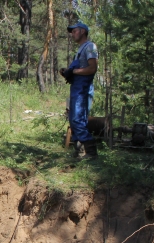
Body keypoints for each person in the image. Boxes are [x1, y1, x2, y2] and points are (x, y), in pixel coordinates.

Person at [60, 22, 99, 158]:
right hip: (76, 88)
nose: (72, 34)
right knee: (73, 118)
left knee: (78, 118)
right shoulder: (80, 50)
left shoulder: (90, 47)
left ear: (82, 31)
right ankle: (79, 151)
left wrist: (74, 71)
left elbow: (92, 68)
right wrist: (68, 72)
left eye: (74, 31)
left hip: (83, 88)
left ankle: (91, 151)